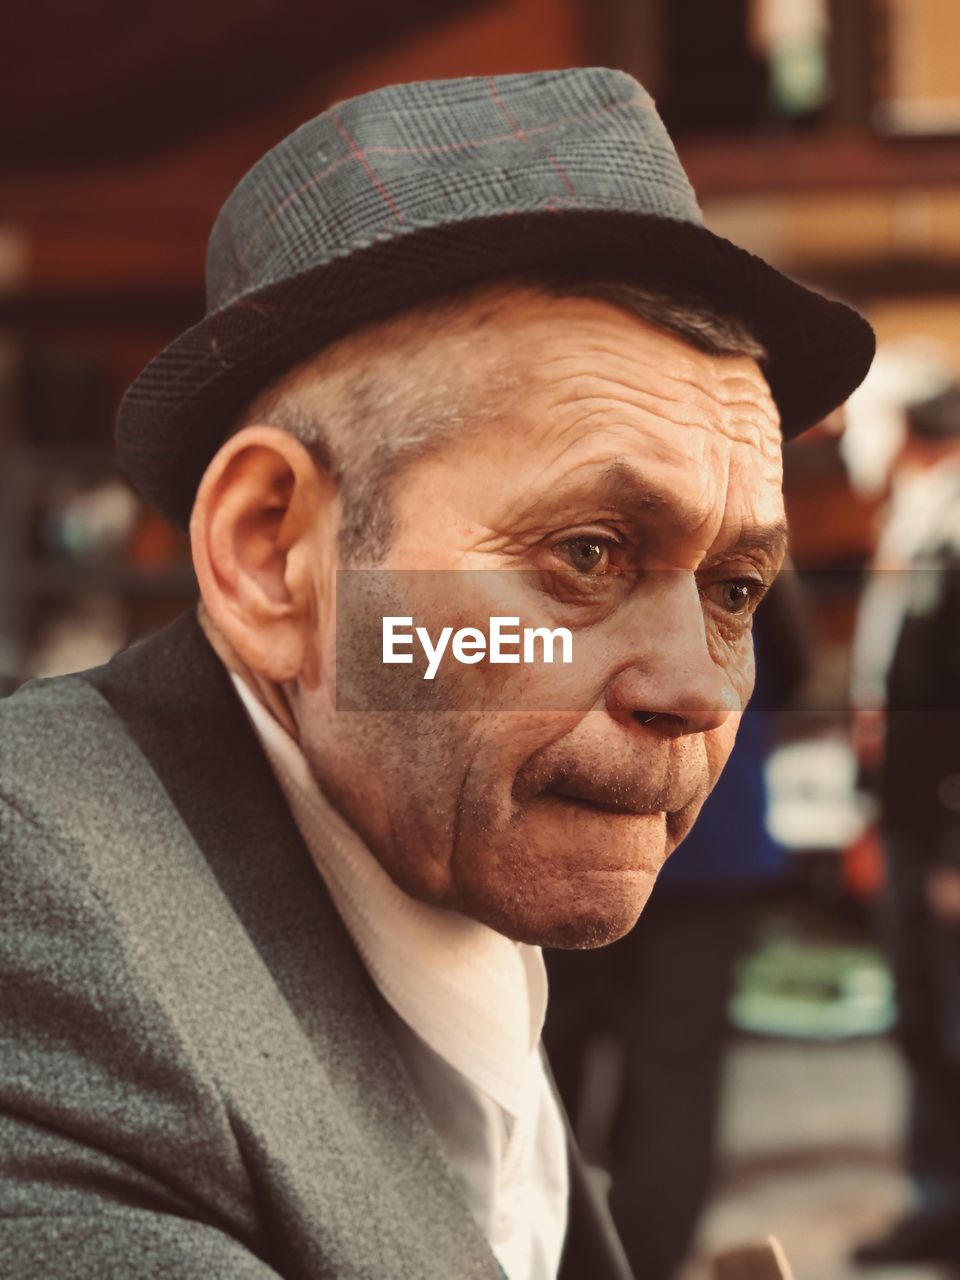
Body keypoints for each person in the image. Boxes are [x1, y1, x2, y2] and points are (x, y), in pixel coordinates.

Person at [0, 69, 873, 1278]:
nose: (699, 687)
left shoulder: (426, 836)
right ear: (271, 556)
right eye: (586, 552)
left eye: (732, 588)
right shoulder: (34, 920)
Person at [545, 572, 810, 1279]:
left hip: (594, 825)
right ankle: (639, 1257)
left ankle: (563, 1245)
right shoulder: (743, 555)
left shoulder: (592, 547)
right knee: (674, 1062)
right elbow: (789, 663)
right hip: (704, 841)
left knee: (556, 1041)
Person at [851, 383, 960, 1267]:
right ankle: (937, 1202)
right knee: (924, 1013)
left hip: (946, 832)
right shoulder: (919, 521)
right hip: (912, 819)